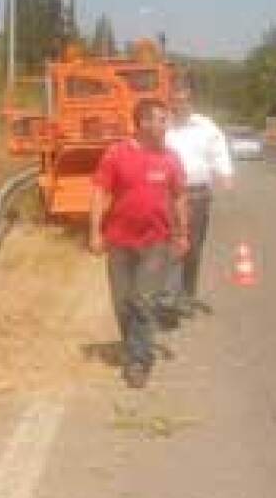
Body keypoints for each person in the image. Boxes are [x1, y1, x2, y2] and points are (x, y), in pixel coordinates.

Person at [90, 99, 190, 389]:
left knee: (143, 302)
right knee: (122, 303)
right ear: (143, 123)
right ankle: (133, 345)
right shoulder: (116, 154)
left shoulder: (171, 158)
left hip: (156, 243)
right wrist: (95, 232)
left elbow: (180, 196)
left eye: (166, 120)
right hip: (119, 242)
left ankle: (138, 361)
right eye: (160, 119)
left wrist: (183, 234)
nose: (165, 125)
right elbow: (100, 192)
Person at [164, 85, 234, 317]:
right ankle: (170, 298)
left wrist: (225, 173)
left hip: (197, 196)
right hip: (166, 195)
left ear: (191, 102)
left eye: (183, 100)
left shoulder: (206, 126)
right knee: (168, 247)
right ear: (170, 102)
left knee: (192, 250)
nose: (179, 105)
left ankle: (187, 295)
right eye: (174, 100)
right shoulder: (163, 126)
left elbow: (219, 151)